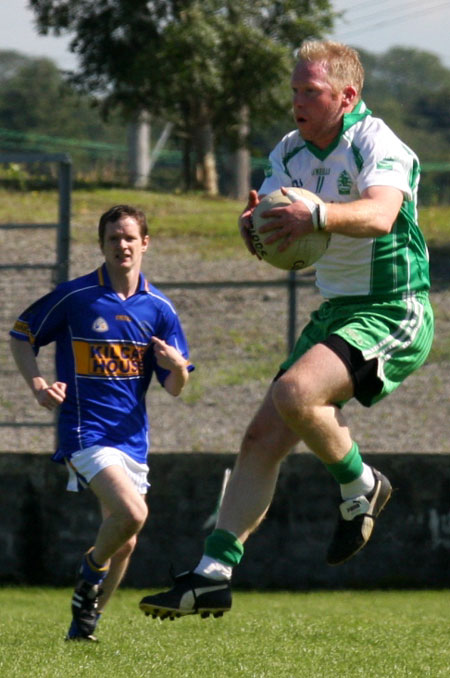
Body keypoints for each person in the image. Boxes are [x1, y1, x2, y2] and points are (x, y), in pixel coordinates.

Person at [139, 40, 434, 620]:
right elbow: (282, 242)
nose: (297, 100)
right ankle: (212, 575)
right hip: (337, 312)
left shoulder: (377, 142)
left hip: (395, 306)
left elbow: (379, 214)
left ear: (347, 96)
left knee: (295, 393)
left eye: (311, 91)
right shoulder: (289, 153)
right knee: (261, 439)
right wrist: (257, 231)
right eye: (294, 90)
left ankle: (360, 483)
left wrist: (314, 214)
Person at [10, 204, 193, 640]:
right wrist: (38, 386)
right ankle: (89, 572)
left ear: (145, 243)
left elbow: (174, 387)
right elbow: (21, 335)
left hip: (132, 437)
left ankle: (84, 625)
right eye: (113, 238)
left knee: (125, 539)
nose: (122, 245)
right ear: (102, 245)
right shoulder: (76, 297)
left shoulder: (160, 309)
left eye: (130, 237)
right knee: (133, 513)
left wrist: (178, 366)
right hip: (84, 431)